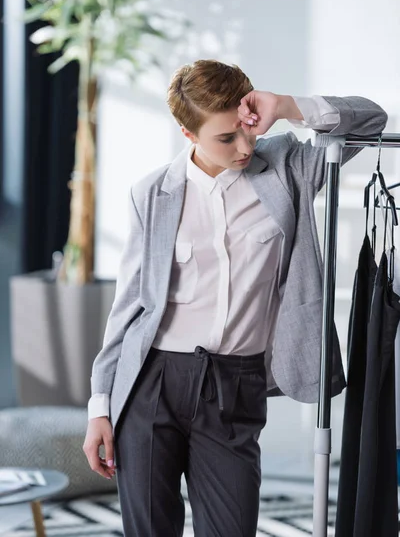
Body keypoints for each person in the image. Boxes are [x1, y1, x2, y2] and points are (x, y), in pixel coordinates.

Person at [83, 59, 388, 536]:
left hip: (235, 384)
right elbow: (130, 307)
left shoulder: (287, 167)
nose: (245, 147)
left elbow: (372, 121)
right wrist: (100, 405)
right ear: (188, 134)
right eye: (226, 139)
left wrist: (287, 107)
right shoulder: (153, 194)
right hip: (151, 382)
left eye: (245, 130)